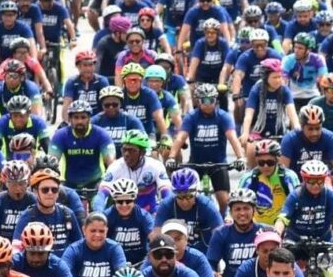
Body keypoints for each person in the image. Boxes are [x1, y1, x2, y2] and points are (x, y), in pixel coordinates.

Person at [167, 84, 245, 216]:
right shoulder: (191, 117)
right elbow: (181, 138)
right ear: (198, 101)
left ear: (216, 101)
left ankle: (219, 221)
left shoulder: (223, 116)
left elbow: (232, 137)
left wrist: (240, 158)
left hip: (218, 163)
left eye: (211, 100)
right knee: (186, 196)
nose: (208, 104)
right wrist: (171, 157)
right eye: (204, 100)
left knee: (224, 201)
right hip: (196, 162)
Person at [93, 129, 172, 213]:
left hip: (150, 212)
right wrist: (99, 213)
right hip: (123, 214)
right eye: (124, 150)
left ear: (142, 152)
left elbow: (167, 193)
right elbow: (101, 195)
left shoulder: (155, 166)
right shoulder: (115, 167)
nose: (126, 154)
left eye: (131, 150)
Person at [12, 169, 83, 256]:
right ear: (35, 191)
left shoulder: (68, 214)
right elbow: (16, 250)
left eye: (54, 190)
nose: (50, 193)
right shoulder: (27, 216)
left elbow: (79, 247)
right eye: (45, 190)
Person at [48, 103, 116, 191]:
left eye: (83, 117)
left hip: (95, 184)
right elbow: (51, 162)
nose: (80, 121)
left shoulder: (101, 134)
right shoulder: (60, 135)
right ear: (70, 119)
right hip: (69, 185)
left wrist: (105, 182)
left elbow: (111, 163)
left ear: (89, 119)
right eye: (76, 117)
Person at [62, 212, 127, 277]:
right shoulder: (73, 249)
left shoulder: (114, 248)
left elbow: (122, 273)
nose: (97, 235)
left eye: (101, 231)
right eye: (93, 231)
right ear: (84, 230)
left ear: (106, 231)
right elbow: (63, 273)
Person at [104, 178, 154, 265]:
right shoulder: (107, 216)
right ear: (114, 201)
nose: (124, 205)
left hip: (140, 262)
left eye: (128, 201)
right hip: (114, 262)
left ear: (134, 200)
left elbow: (154, 238)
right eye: (120, 201)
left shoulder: (143, 216)